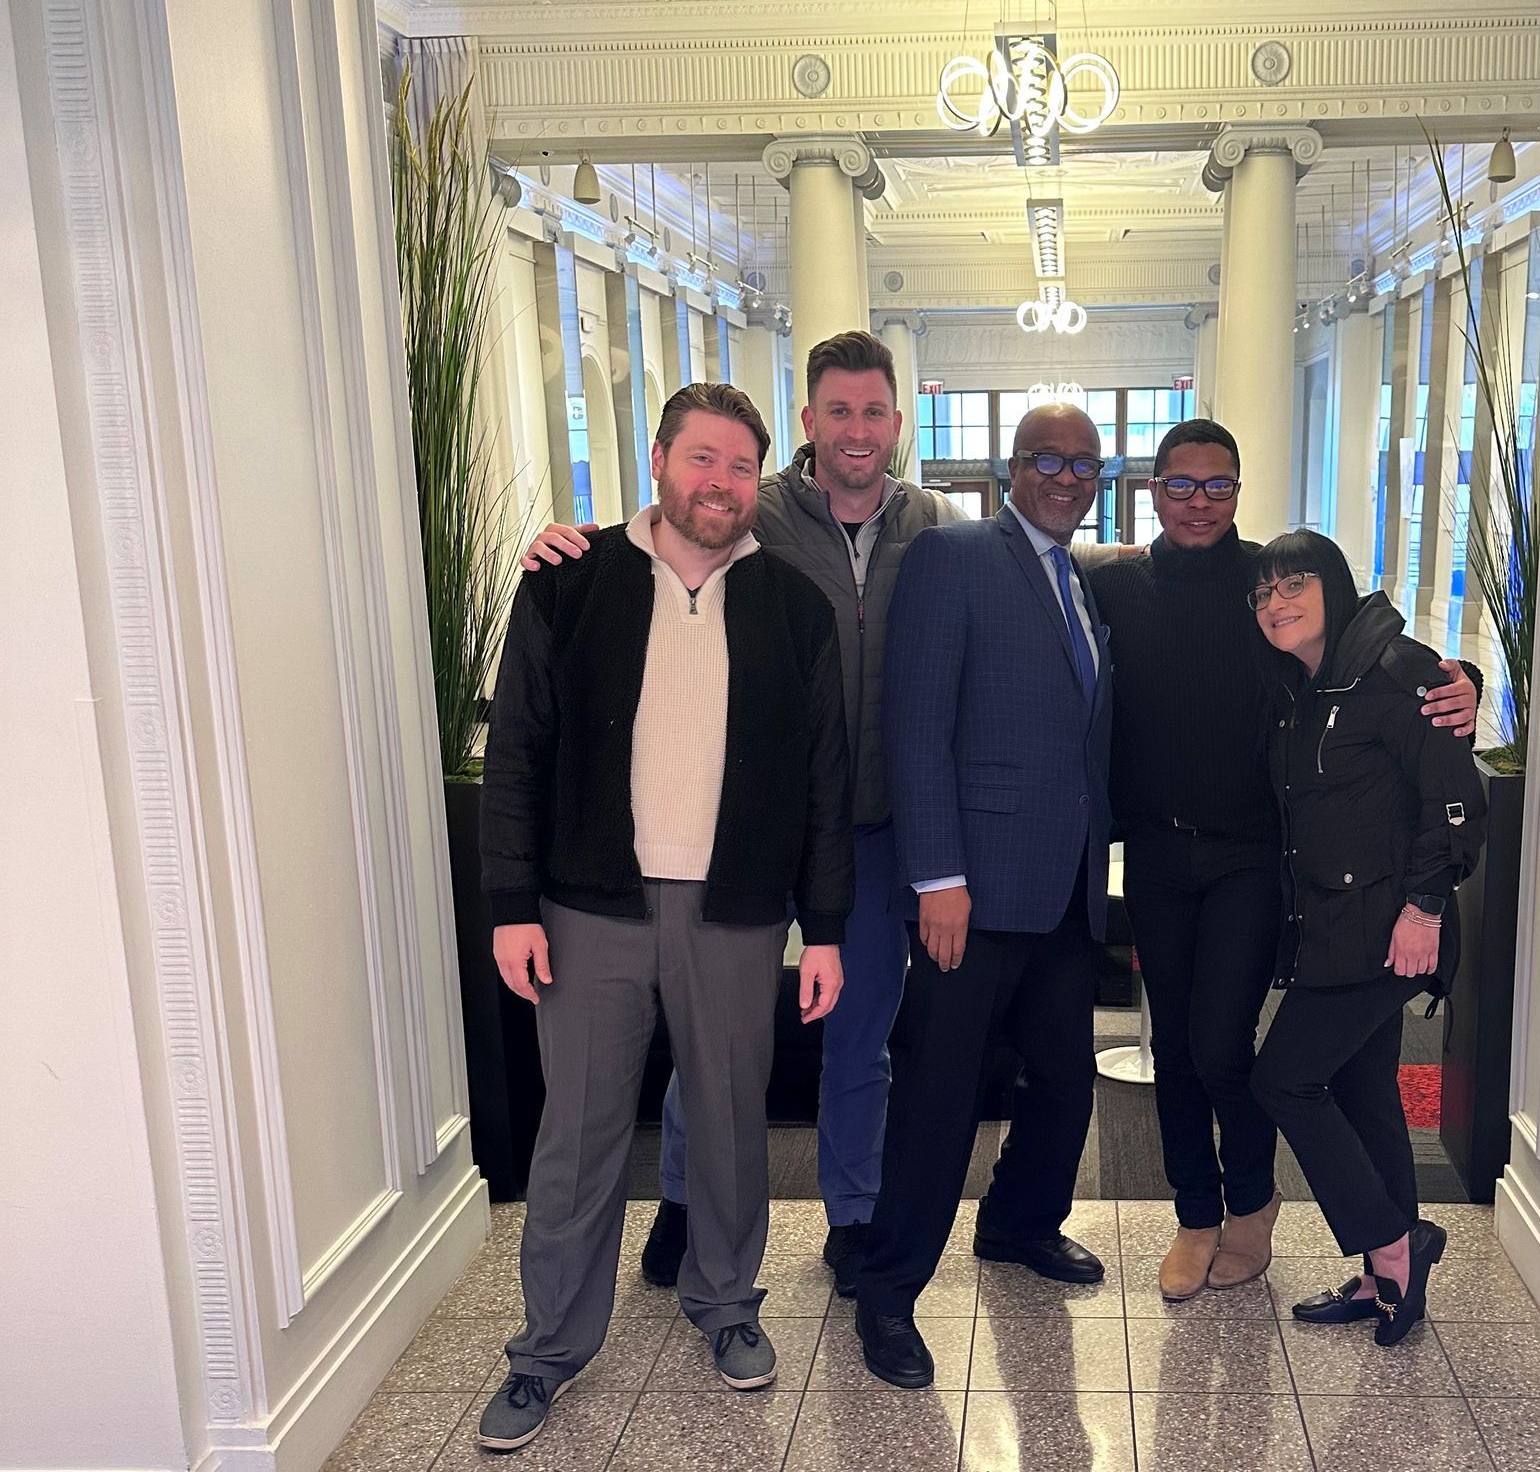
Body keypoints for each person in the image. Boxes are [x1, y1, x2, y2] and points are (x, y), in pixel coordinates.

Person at [521, 331, 958, 1298]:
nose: (856, 428)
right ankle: (684, 1197)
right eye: (837, 410)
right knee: (705, 1038)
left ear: (897, 421)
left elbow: (1011, 577)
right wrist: (566, 541)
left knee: (857, 1034)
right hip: (739, 829)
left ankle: (851, 1208)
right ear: (808, 422)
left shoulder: (935, 524)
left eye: (874, 410)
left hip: (873, 825)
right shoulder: (753, 508)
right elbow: (668, 531)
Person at [475, 383, 853, 1450]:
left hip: (736, 910)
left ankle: (727, 1305)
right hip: (589, 905)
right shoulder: (570, 582)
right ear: (658, 459)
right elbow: (517, 757)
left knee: (732, 1122)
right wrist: (511, 906)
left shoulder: (793, 606)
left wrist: (822, 928)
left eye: (742, 467)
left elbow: (825, 780)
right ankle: (547, 1349)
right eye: (702, 460)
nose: (720, 485)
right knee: (580, 1134)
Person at [1086, 420, 1481, 1302]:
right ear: (1152, 489)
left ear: (1237, 488)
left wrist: (1460, 687)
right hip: (1154, 848)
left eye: (1216, 484)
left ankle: (1252, 1210)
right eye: (1180, 483)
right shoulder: (1113, 581)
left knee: (1227, 1048)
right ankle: (1196, 1214)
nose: (1199, 499)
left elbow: (1372, 651)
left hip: (1253, 857)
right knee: (1179, 1052)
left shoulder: (1271, 578)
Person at [853, 403, 1115, 1389]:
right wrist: (938, 878)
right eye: (1048, 459)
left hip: (1062, 887)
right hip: (972, 887)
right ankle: (885, 1291)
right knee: (938, 1097)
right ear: (1013, 469)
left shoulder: (1086, 583)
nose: (1067, 475)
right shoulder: (955, 556)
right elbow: (916, 726)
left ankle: (1017, 1225)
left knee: (1064, 1079)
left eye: (1085, 462)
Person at [1245, 528, 1487, 1347]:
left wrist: (1425, 908)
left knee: (1283, 1080)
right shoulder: (1306, 680)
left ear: (1334, 587)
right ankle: (1389, 1284)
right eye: (1264, 592)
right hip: (1334, 926)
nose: (1275, 603)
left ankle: (1393, 1243)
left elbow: (1455, 801)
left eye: (1293, 586)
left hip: (1388, 930)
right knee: (1363, 1089)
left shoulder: (1398, 672)